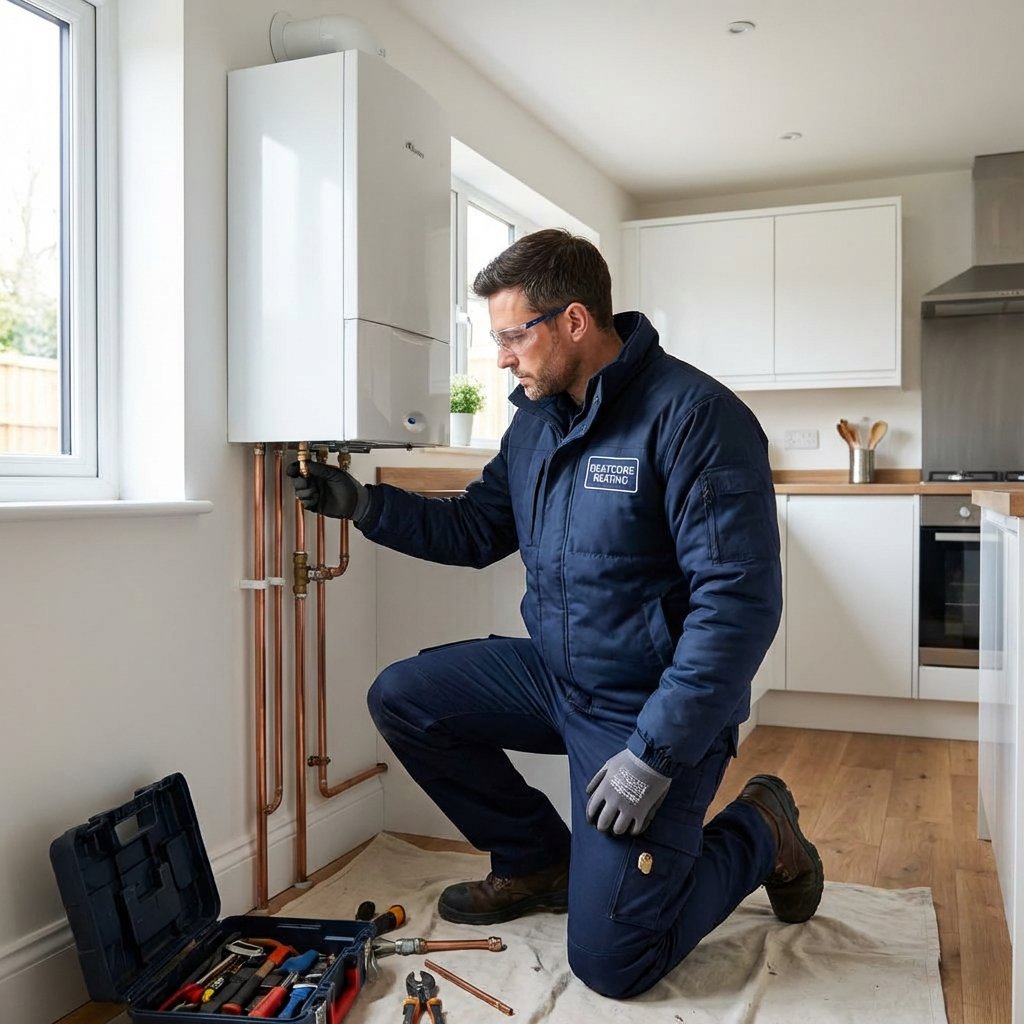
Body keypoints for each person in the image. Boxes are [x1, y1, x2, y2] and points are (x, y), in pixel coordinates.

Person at [287, 228, 823, 999]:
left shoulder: (696, 417)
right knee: (405, 697)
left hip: (648, 712)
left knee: (613, 963)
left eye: (512, 336)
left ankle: (760, 828)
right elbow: (478, 528)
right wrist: (365, 506)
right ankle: (538, 861)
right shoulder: (538, 420)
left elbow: (737, 607)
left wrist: (656, 755)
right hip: (558, 675)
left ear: (574, 321)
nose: (502, 357)